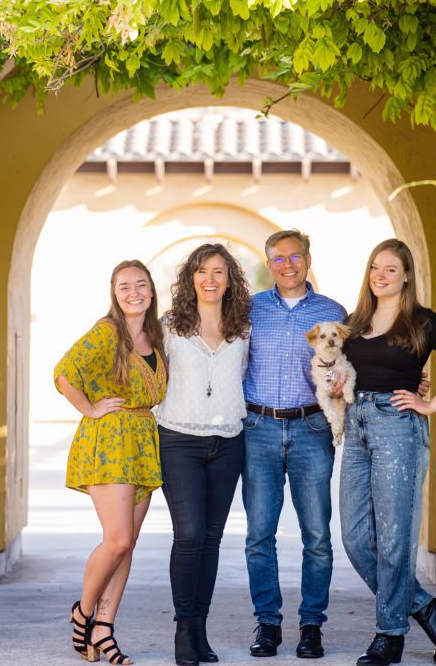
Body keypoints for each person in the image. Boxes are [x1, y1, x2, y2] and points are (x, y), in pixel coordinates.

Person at [339, 239, 436, 666]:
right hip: (357, 425)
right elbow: (345, 371)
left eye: (390, 269)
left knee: (394, 539)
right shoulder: (355, 321)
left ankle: (390, 635)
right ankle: (424, 605)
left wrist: (430, 404)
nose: (380, 275)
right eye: (375, 267)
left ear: (406, 276)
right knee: (355, 538)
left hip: (397, 428)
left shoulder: (422, 321)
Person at [55, 259, 168, 666]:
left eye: (141, 284)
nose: (133, 292)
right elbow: (65, 373)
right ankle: (83, 613)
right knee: (117, 539)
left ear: (151, 291)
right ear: (114, 294)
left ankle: (104, 627)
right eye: (124, 286)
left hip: (141, 442)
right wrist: (90, 409)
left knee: (128, 543)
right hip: (109, 441)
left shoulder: (156, 336)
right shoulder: (108, 332)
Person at [242, 229, 346, 659]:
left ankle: (311, 625)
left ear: (307, 259)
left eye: (295, 256)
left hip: (311, 430)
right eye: (279, 258)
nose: (288, 264)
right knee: (259, 535)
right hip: (258, 428)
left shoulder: (333, 312)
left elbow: (356, 363)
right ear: (269, 264)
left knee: (317, 535)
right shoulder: (249, 309)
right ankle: (268, 624)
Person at [154, 243, 251, 666]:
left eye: (218, 272)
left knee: (211, 538)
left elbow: (249, 375)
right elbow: (143, 370)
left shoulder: (243, 327)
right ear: (190, 278)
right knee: (190, 534)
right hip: (179, 440)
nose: (210, 280)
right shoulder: (169, 326)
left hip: (228, 441)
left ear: (230, 280)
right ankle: (182, 628)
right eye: (202, 272)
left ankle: (200, 629)